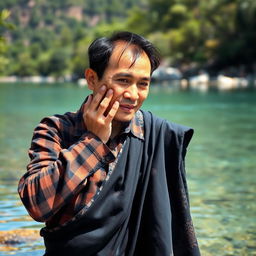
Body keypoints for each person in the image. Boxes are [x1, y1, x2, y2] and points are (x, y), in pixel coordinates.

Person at [18, 31, 200, 256]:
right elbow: (37, 205)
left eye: (143, 84)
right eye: (123, 80)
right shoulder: (57, 130)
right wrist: (93, 142)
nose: (133, 95)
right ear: (92, 79)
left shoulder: (155, 134)